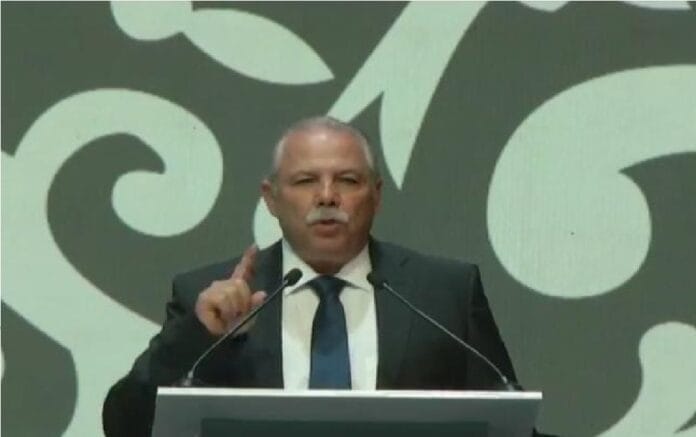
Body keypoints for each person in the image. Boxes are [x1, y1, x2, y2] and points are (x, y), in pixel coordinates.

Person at [102, 116, 519, 436]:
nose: (327, 196)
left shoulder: (444, 293)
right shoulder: (212, 297)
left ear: (376, 195)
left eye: (348, 180)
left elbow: (508, 424)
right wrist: (197, 336)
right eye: (305, 181)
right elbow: (126, 426)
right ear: (271, 198)